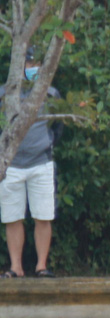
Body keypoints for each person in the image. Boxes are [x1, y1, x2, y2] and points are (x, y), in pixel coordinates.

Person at [3, 67, 59, 278]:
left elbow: (57, 128)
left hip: (41, 163)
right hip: (12, 164)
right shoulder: (4, 94)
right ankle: (15, 267)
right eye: (26, 62)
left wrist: (46, 145)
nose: (30, 68)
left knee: (43, 216)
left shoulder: (51, 94)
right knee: (12, 217)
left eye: (34, 62)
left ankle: (41, 266)